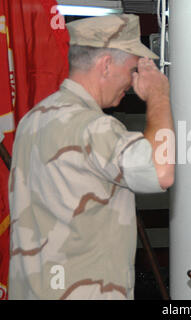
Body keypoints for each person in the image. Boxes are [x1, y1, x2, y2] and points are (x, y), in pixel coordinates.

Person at [8, 14, 174, 299]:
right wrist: (159, 96)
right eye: (133, 69)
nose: (133, 81)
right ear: (106, 65)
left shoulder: (31, 121)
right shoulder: (94, 127)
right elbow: (161, 171)